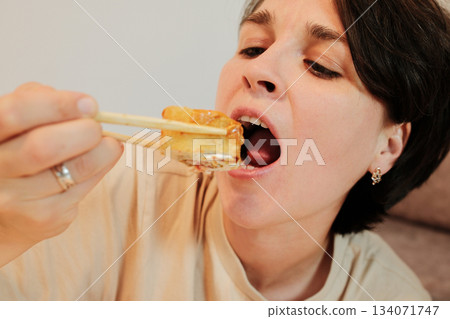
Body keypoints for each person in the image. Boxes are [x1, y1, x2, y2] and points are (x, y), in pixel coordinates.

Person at [0, 0, 448, 300]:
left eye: (320, 65)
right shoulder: (110, 188)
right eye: (253, 46)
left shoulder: (390, 296)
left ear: (388, 146)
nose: (260, 68)